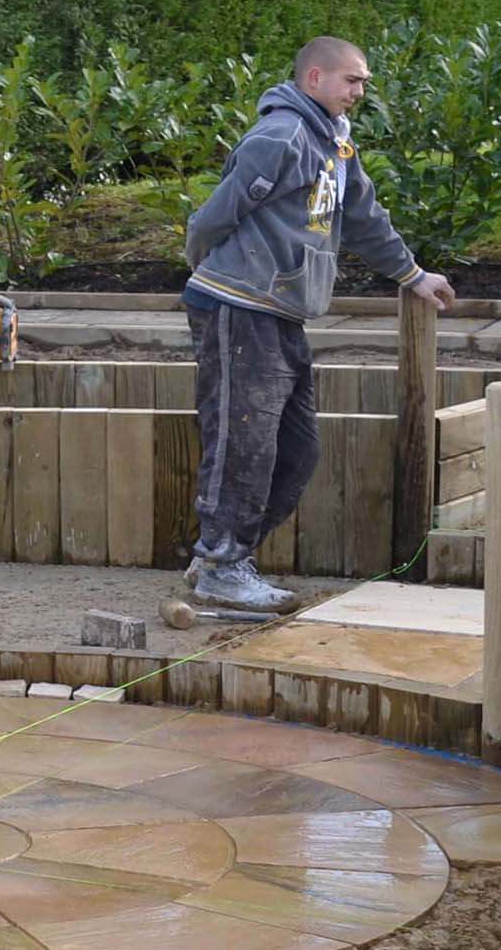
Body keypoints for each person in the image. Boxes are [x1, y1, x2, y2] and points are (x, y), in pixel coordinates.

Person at [182, 37, 455, 612]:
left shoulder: (334, 142)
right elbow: (212, 217)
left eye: (362, 81)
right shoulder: (280, 138)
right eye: (352, 80)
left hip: (283, 314)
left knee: (298, 448)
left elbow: (363, 218)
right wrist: (211, 276)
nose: (360, 91)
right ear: (314, 77)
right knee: (243, 441)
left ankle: (225, 557)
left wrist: (411, 275)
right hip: (241, 308)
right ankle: (222, 566)